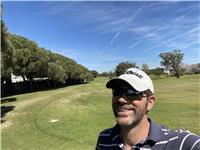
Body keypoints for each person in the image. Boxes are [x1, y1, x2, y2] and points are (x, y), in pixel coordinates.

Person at [96, 67, 200, 150]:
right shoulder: (104, 139)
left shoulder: (180, 142)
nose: (121, 100)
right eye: (117, 92)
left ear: (150, 102)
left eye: (131, 93)